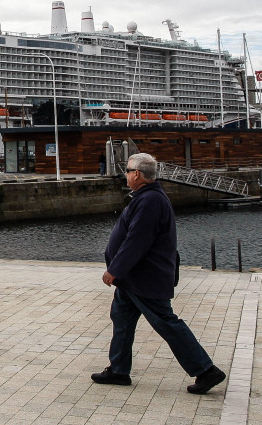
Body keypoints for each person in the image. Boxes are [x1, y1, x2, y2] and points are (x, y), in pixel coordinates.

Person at [91, 152, 226, 394]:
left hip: (144, 278)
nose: (126, 175)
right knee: (121, 318)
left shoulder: (150, 201)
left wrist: (114, 270)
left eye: (128, 171)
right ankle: (119, 369)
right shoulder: (146, 198)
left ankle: (206, 370)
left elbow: (137, 241)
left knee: (166, 323)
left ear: (137, 175)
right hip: (132, 280)